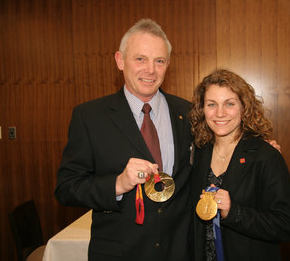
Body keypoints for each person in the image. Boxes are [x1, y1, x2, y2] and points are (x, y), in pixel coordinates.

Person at [54, 19, 193, 260]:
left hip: (179, 252)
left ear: (167, 64)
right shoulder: (89, 117)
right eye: (140, 59)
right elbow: (67, 188)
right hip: (119, 254)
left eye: (159, 61)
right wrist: (117, 184)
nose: (150, 69)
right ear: (120, 60)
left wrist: (254, 151)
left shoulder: (189, 113)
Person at [189, 69, 290, 261]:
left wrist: (234, 212)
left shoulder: (265, 156)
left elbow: (286, 226)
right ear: (202, 109)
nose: (220, 113)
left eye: (229, 104)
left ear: (244, 107)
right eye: (211, 104)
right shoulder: (198, 152)